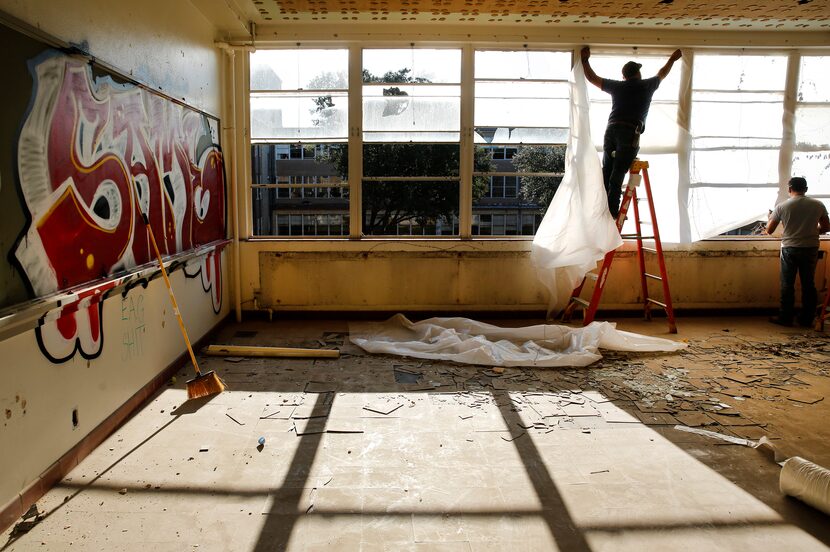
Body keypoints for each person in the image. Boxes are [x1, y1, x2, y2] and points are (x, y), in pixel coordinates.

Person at [581, 47, 683, 218]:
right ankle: (613, 211)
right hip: (629, 132)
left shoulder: (618, 86)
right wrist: (672, 59)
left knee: (607, 170)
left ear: (624, 76)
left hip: (611, 129)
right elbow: (662, 73)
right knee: (618, 172)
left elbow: (592, 78)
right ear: (638, 73)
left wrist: (585, 60)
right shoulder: (647, 85)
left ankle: (601, 209)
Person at [766, 176, 830, 327]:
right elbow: (827, 227)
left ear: (789, 189)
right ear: (806, 189)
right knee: (809, 283)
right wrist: (812, 230)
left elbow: (769, 230)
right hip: (810, 247)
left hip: (789, 248)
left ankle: (785, 318)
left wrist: (770, 217)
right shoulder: (818, 204)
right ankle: (807, 318)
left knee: (787, 284)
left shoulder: (782, 207)